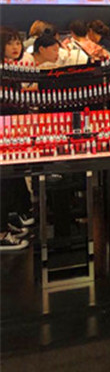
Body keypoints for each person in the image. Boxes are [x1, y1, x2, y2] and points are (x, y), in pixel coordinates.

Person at [0, 27, 34, 251]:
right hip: (3, 132)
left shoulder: (9, 68)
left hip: (9, 132)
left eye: (18, 43)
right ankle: (2, 234)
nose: (16, 47)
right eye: (10, 43)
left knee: (7, 181)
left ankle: (5, 225)